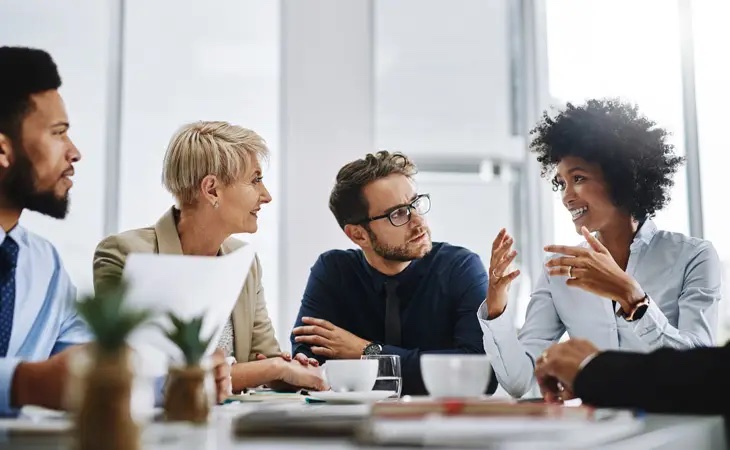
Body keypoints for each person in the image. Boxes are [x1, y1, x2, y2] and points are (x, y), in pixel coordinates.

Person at [479, 99, 721, 398]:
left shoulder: (693, 257)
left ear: (622, 177)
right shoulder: (559, 269)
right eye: (561, 184)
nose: (567, 197)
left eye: (578, 178)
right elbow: (520, 381)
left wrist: (632, 298)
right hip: (594, 434)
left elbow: (700, 371)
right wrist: (496, 307)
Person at [93, 121, 326, 393]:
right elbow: (139, 373)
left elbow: (264, 357)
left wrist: (287, 371)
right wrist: (272, 369)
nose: (267, 196)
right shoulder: (125, 254)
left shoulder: (244, 261)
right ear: (212, 189)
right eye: (255, 180)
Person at [291, 151, 491, 396]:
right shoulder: (333, 271)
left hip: (442, 424)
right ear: (358, 235)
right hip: (351, 425)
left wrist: (367, 351)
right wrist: (425, 367)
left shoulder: (461, 267)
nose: (418, 222)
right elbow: (309, 367)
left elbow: (478, 374)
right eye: (398, 214)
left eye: (415, 204)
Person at [0, 46, 91, 415]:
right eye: (58, 133)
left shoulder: (43, 262)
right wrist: (23, 382)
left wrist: (179, 376)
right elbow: (42, 379)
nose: (74, 152)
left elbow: (87, 360)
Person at [534, 338, 730, 416]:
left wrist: (595, 368)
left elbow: (703, 354)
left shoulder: (696, 254)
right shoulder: (553, 273)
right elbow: (518, 381)